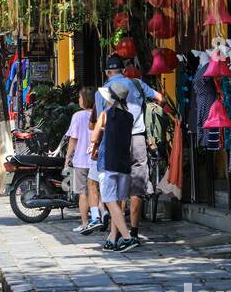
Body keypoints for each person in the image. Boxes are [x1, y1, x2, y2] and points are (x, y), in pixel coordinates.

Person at [102, 55, 166, 240]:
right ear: (124, 70)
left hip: (115, 140)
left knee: (117, 187)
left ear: (107, 72)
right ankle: (135, 231)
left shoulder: (104, 91)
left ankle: (119, 233)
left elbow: (101, 120)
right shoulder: (137, 84)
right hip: (137, 138)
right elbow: (159, 98)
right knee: (137, 186)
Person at [90, 79, 137, 251]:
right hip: (124, 163)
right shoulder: (129, 116)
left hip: (108, 162)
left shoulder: (106, 114)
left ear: (111, 99)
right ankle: (112, 238)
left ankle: (127, 237)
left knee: (109, 201)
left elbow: (93, 138)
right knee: (118, 202)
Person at [65, 88, 99, 234]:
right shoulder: (99, 115)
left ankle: (85, 223)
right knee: (96, 191)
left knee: (82, 193)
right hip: (96, 159)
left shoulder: (78, 116)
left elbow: (73, 139)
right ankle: (98, 219)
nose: (78, 100)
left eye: (79, 97)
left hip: (80, 160)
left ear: (85, 99)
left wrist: (67, 157)